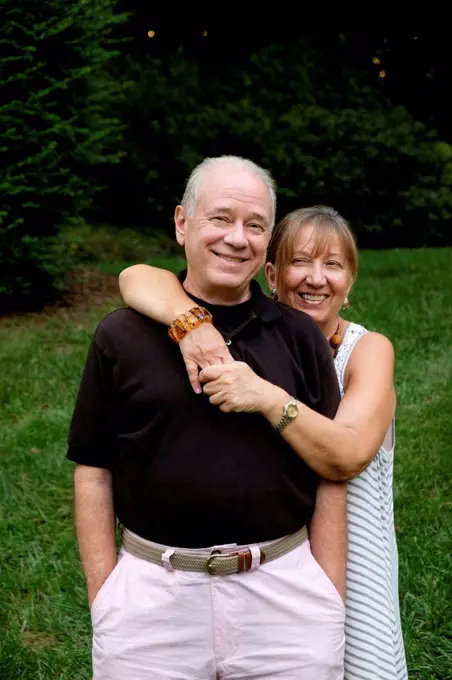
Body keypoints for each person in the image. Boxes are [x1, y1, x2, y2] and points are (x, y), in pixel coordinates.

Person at [68, 156, 350, 680]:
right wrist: (105, 594)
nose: (237, 239)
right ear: (182, 224)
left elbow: (330, 472)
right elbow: (92, 468)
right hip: (151, 600)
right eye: (220, 219)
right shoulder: (121, 336)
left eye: (255, 225)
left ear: (268, 240)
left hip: (285, 596)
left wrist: (326, 592)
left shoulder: (299, 336)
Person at [119, 203, 408, 679]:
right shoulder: (244, 341)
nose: (316, 278)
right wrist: (192, 325)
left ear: (351, 282)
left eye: (332, 265)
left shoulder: (365, 350)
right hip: (272, 568)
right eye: (300, 261)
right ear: (271, 273)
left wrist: (267, 398)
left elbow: (348, 453)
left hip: (355, 556)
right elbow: (134, 276)